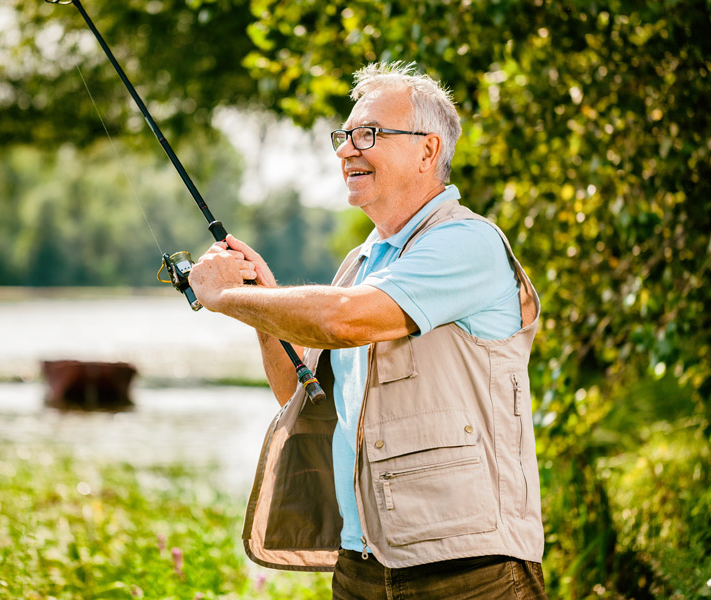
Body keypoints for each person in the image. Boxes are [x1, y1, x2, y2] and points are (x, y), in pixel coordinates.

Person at [188, 62, 547, 599]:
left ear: (428, 151)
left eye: (368, 135)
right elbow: (302, 395)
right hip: (361, 565)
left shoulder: (466, 243)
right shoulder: (362, 265)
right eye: (345, 136)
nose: (345, 151)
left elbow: (344, 319)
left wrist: (225, 295)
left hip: (469, 570)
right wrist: (259, 303)